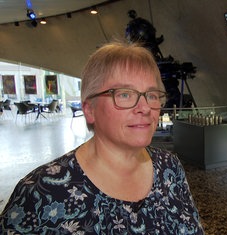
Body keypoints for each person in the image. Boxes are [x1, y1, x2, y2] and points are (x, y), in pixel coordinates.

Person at [0, 42, 204, 234]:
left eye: (151, 95)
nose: (144, 108)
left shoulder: (170, 168)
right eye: (125, 94)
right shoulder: (41, 192)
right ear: (90, 110)